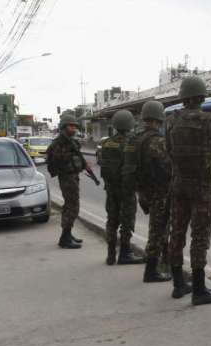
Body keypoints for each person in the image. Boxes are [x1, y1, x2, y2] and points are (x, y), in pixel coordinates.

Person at [166, 76, 211, 304]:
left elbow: (169, 151)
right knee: (199, 236)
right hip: (201, 187)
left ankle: (178, 285)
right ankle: (200, 290)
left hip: (179, 184)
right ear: (202, 96)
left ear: (183, 97)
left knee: (177, 232)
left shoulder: (171, 121)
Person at [129, 101, 172, 283]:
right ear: (158, 119)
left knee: (158, 228)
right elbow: (167, 167)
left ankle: (161, 264)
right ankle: (151, 270)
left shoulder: (135, 139)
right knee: (158, 230)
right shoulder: (157, 141)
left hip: (143, 191)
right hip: (159, 191)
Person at [100, 109, 144, 266]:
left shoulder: (106, 143)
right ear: (130, 124)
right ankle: (125, 253)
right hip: (127, 189)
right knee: (127, 221)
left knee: (112, 220)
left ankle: (111, 254)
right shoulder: (132, 142)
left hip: (111, 189)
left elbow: (101, 163)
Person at [46, 114, 90, 249]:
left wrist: (84, 166)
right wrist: (68, 151)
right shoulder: (60, 143)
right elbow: (58, 161)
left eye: (75, 126)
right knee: (72, 207)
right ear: (64, 127)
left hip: (73, 176)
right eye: (71, 126)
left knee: (70, 206)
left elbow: (75, 159)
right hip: (67, 178)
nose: (74, 128)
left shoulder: (71, 141)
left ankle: (67, 234)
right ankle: (64, 238)